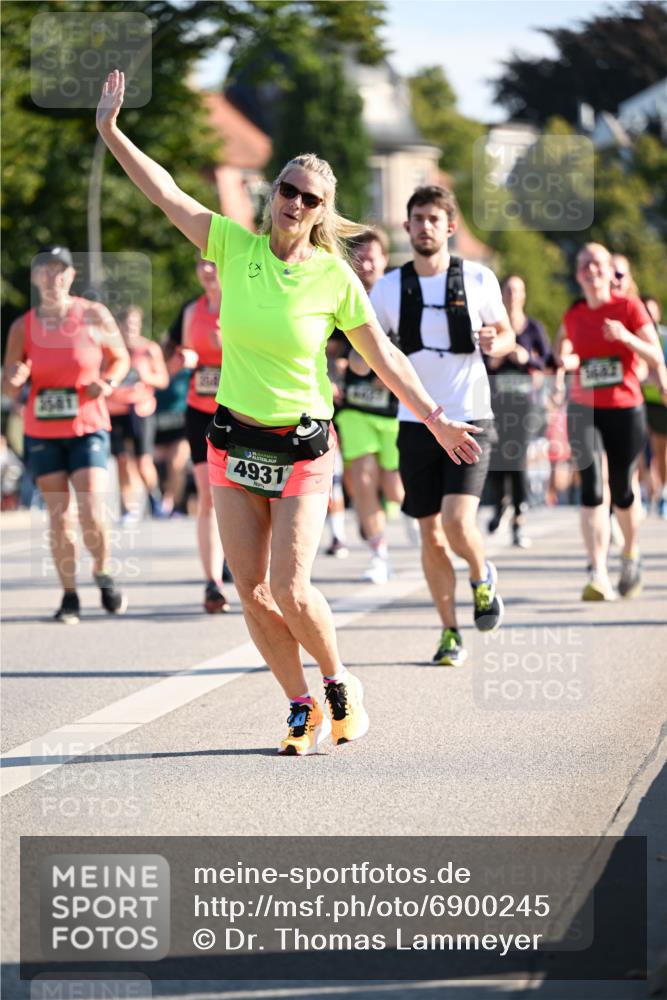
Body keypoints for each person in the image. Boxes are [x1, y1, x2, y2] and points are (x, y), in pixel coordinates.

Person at [96, 70, 483, 754]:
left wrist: (433, 414)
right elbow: (168, 194)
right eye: (288, 189)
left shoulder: (332, 278)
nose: (296, 203)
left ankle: (338, 684)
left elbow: (385, 356)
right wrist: (111, 132)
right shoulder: (231, 247)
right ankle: (298, 703)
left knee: (291, 586)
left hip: (302, 448)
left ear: (321, 212)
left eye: (310, 198)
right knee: (250, 589)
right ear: (270, 193)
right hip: (233, 443)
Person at [359, 185, 515, 667]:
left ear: (450, 226)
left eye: (434, 219)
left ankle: (481, 572)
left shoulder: (479, 278)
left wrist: (497, 340)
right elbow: (370, 348)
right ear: (406, 227)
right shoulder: (386, 289)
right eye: (417, 219)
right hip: (415, 422)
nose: (425, 226)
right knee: (429, 534)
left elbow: (507, 335)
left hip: (469, 415)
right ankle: (449, 631)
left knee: (456, 521)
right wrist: (362, 362)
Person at [2, 245, 130, 623]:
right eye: (45, 270)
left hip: (88, 424)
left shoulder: (92, 314)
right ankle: (69, 595)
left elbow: (120, 357)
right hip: (42, 430)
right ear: (35, 278)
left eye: (61, 271)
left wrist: (107, 382)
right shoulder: (22, 326)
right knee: (60, 517)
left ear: (71, 277)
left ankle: (103, 571)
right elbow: (11, 381)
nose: (53, 277)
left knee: (91, 509)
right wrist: (14, 380)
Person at [555, 243, 663, 600]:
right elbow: (564, 352)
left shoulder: (629, 308)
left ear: (609, 271)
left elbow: (655, 354)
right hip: (584, 408)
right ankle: (597, 570)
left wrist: (626, 337)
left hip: (625, 407)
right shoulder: (574, 313)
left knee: (622, 488)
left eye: (597, 263)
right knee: (592, 488)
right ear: (578, 274)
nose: (592, 269)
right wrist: (565, 364)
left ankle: (630, 552)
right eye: (584, 264)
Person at [336, 229, 404, 583]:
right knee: (362, 479)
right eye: (359, 255)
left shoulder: (399, 299)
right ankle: (379, 554)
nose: (365, 261)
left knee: (395, 487)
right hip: (356, 406)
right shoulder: (342, 294)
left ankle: (417, 528)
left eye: (372, 255)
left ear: (385, 260)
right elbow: (328, 348)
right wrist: (334, 374)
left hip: (395, 410)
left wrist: (390, 368)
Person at [166, 254, 230, 613]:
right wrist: (184, 361)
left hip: (239, 413)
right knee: (208, 497)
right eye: (200, 264)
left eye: (213, 263)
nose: (206, 271)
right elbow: (168, 365)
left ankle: (249, 568)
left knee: (245, 495)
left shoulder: (242, 303)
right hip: (199, 413)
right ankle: (212, 584)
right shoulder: (190, 312)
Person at [486, 274, 553, 548]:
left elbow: (548, 362)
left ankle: (518, 519)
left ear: (524, 295)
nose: (513, 295)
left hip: (525, 406)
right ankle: (501, 504)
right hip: (495, 404)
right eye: (508, 290)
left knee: (518, 459)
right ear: (501, 294)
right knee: (496, 458)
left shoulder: (533, 328)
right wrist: (500, 356)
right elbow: (479, 360)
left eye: (518, 290)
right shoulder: (493, 327)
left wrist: (528, 359)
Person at [107, 305, 169, 521]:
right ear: (119, 326)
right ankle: (127, 507)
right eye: (126, 323)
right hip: (115, 410)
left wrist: (146, 377)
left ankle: (154, 496)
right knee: (122, 460)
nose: (130, 327)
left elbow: (163, 380)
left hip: (141, 410)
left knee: (143, 462)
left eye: (134, 323)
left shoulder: (149, 349)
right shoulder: (111, 350)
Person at [641, 295, 667, 518]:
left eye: (652, 311)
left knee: (661, 451)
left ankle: (663, 493)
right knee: (639, 452)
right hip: (638, 402)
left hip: (661, 402)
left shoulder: (665, 338)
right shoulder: (633, 336)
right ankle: (643, 493)